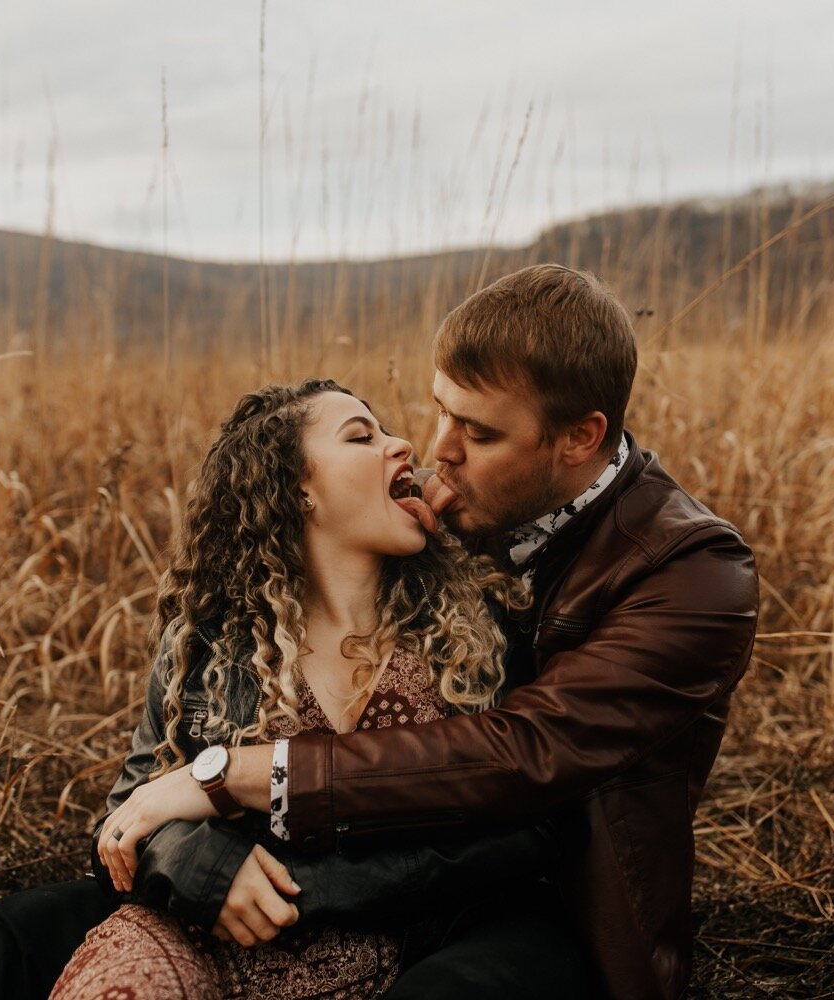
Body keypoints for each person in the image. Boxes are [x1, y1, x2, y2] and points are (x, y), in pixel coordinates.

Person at [120, 264, 759, 998]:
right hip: (347, 905)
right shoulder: (443, 517)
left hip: (557, 929)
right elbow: (143, 783)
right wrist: (194, 858)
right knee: (7, 945)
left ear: (580, 438)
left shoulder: (693, 571)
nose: (437, 450)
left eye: (478, 432)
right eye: (439, 412)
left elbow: (525, 752)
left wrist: (235, 775)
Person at [0, 379, 596, 1000]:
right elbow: (127, 818)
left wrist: (316, 890)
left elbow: (528, 823)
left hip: (427, 939)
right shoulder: (206, 645)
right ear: (299, 487)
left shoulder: (477, 632)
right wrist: (200, 865)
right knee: (2, 944)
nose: (403, 444)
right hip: (218, 945)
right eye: (362, 435)